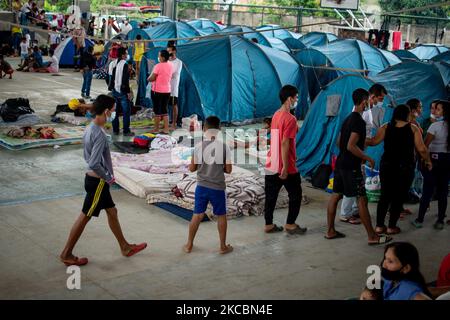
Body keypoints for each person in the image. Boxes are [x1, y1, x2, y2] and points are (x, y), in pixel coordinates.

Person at [60, 95, 147, 266]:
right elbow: (94, 162)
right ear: (106, 111)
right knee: (85, 216)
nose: (114, 114)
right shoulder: (99, 134)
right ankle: (66, 253)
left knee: (112, 212)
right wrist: (108, 177)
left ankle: (125, 247)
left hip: (94, 179)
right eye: (114, 110)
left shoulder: (90, 127)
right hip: (98, 181)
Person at [326, 88, 391, 245]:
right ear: (364, 102)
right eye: (370, 100)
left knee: (335, 196)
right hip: (351, 166)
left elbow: (339, 142)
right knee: (362, 199)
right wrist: (366, 157)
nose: (371, 103)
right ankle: (372, 236)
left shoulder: (348, 119)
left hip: (341, 164)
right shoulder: (359, 121)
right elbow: (350, 145)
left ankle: (330, 231)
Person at [367, 104, 432, 235]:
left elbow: (374, 141)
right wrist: (428, 161)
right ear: (407, 114)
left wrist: (357, 139)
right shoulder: (413, 128)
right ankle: (391, 227)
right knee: (398, 196)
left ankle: (379, 226)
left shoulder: (385, 126)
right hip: (405, 168)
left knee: (385, 195)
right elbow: (422, 149)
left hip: (387, 166)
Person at [184, 116, 233, 255]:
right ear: (219, 130)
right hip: (218, 188)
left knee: (197, 215)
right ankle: (223, 246)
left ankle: (189, 245)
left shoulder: (198, 147)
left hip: (202, 187)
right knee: (221, 215)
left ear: (204, 129)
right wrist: (219, 168)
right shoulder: (224, 147)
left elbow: (192, 168)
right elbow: (229, 170)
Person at [341, 84, 389, 224]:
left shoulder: (368, 111)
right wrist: (364, 154)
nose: (381, 102)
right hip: (357, 150)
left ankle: (356, 210)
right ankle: (345, 213)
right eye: (380, 98)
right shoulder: (362, 114)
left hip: (360, 149)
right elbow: (353, 140)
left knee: (359, 181)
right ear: (371, 97)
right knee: (353, 182)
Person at [264, 85, 306, 235]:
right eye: (296, 97)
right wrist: (285, 167)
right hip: (284, 165)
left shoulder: (276, 115)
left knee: (270, 196)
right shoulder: (290, 118)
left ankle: (268, 225)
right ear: (290, 98)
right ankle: (290, 224)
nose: (297, 100)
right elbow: (284, 142)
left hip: (271, 162)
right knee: (296, 195)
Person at [413, 100, 450, 230]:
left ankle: (419, 219)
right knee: (443, 191)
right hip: (446, 160)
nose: (435, 111)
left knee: (427, 190)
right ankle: (440, 220)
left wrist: (424, 160)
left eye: (438, 109)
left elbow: (425, 145)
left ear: (444, 112)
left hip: (433, 159)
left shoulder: (435, 126)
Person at [108, 47, 133, 136]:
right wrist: (128, 92)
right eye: (126, 53)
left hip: (114, 90)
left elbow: (109, 77)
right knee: (126, 111)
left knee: (115, 110)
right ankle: (126, 131)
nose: (127, 55)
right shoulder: (125, 64)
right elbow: (125, 80)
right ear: (123, 55)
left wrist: (111, 88)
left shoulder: (112, 63)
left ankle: (115, 130)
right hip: (122, 91)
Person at [148, 49, 173, 134]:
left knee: (157, 111)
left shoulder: (158, 66)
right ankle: (166, 129)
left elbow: (152, 78)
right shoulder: (171, 65)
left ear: (162, 57)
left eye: (159, 56)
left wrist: (148, 78)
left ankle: (156, 129)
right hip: (167, 90)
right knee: (164, 109)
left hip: (157, 91)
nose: (158, 57)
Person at [167, 45, 182, 130]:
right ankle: (167, 122)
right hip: (165, 87)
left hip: (173, 87)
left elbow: (175, 74)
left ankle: (174, 123)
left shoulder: (179, 62)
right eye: (168, 51)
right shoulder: (166, 62)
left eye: (170, 51)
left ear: (174, 51)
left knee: (174, 105)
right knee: (165, 105)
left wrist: (166, 73)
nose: (169, 53)